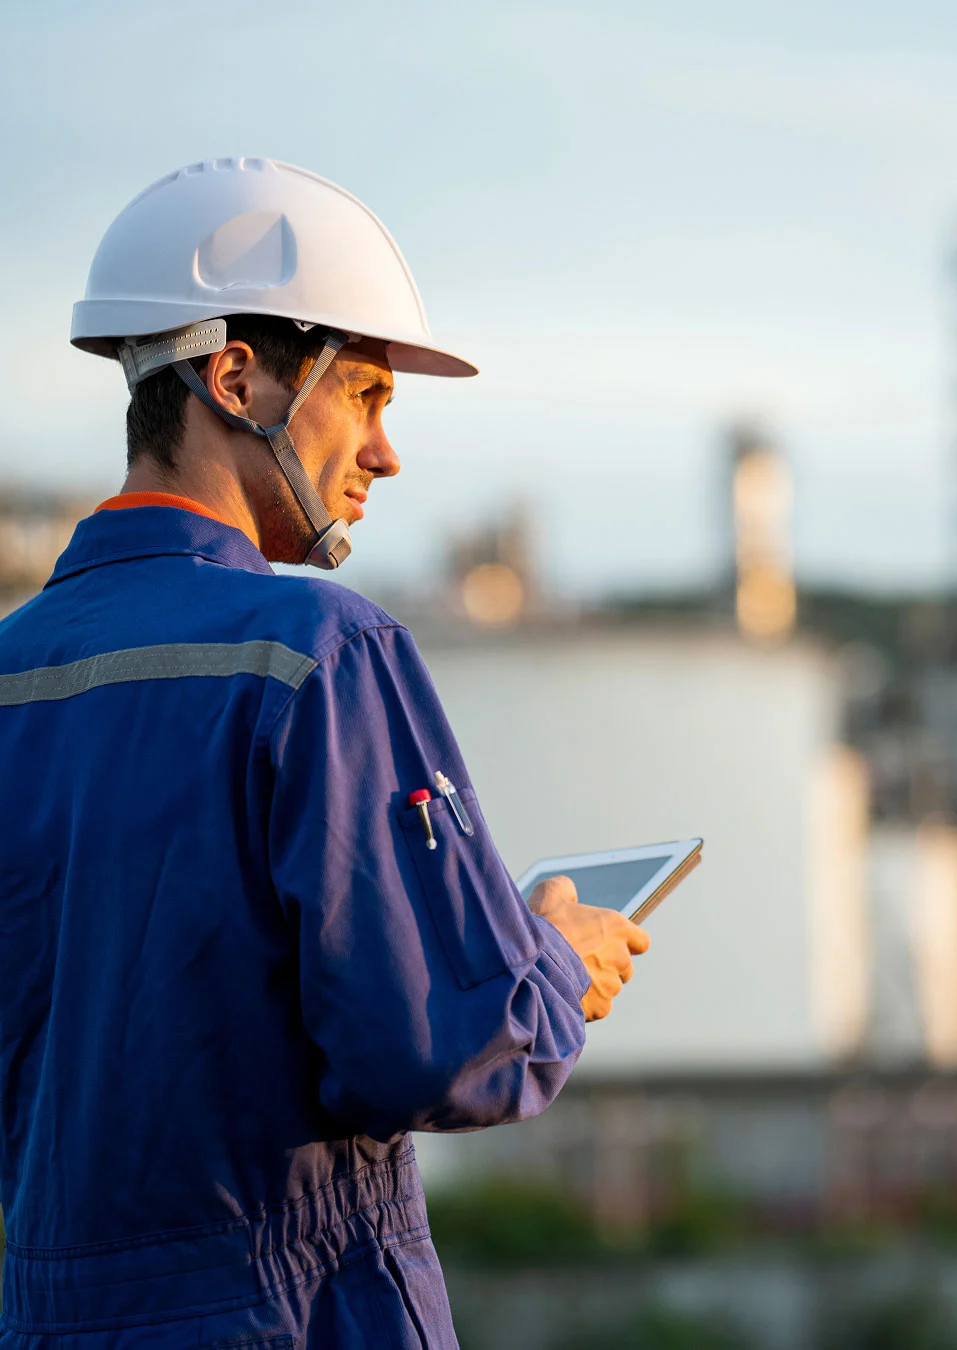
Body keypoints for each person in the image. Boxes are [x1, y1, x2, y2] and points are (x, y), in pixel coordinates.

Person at [0, 158, 649, 1348]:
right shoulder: (317, 649)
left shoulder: (12, 668)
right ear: (237, 376)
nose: (385, 451)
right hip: (290, 1310)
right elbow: (443, 1045)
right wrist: (550, 962)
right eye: (364, 393)